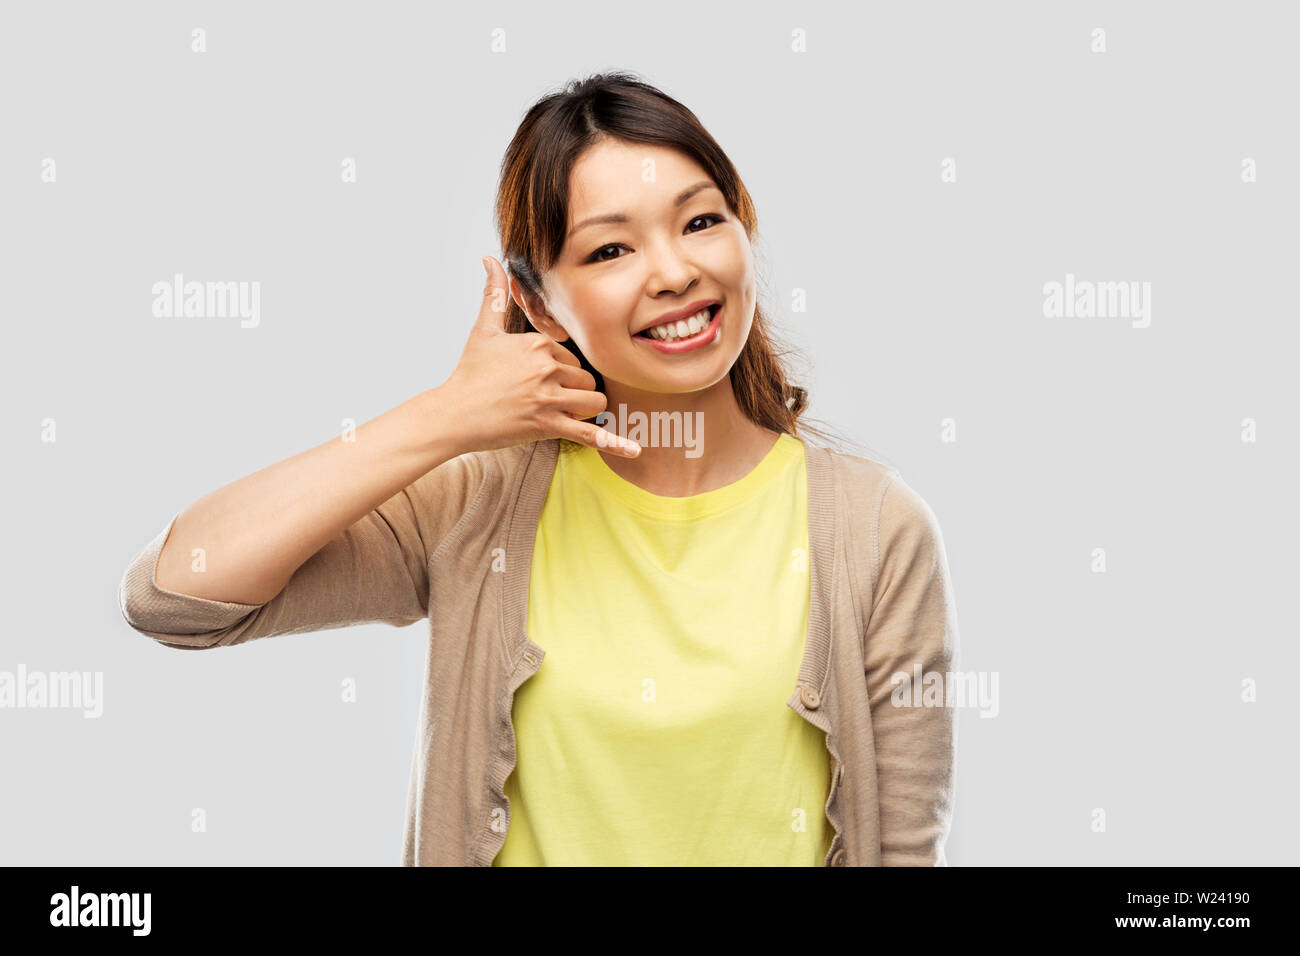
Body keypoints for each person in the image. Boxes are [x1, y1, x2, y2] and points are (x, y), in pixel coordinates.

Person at [119, 71, 960, 867]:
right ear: (535, 304)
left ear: (745, 232)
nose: (674, 272)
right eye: (609, 251)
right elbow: (174, 596)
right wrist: (444, 416)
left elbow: (903, 849)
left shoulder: (875, 527)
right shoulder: (480, 499)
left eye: (702, 221)